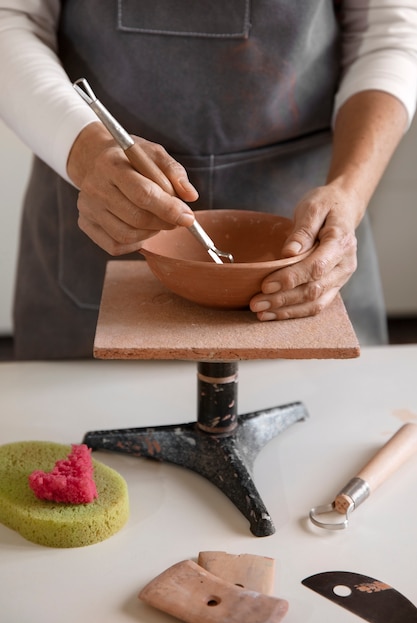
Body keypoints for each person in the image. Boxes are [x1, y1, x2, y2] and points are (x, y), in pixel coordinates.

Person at [0, 1, 416, 359]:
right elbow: (11, 18)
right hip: (97, 206)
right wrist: (83, 149)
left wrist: (349, 187)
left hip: (304, 217)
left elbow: (391, 32)